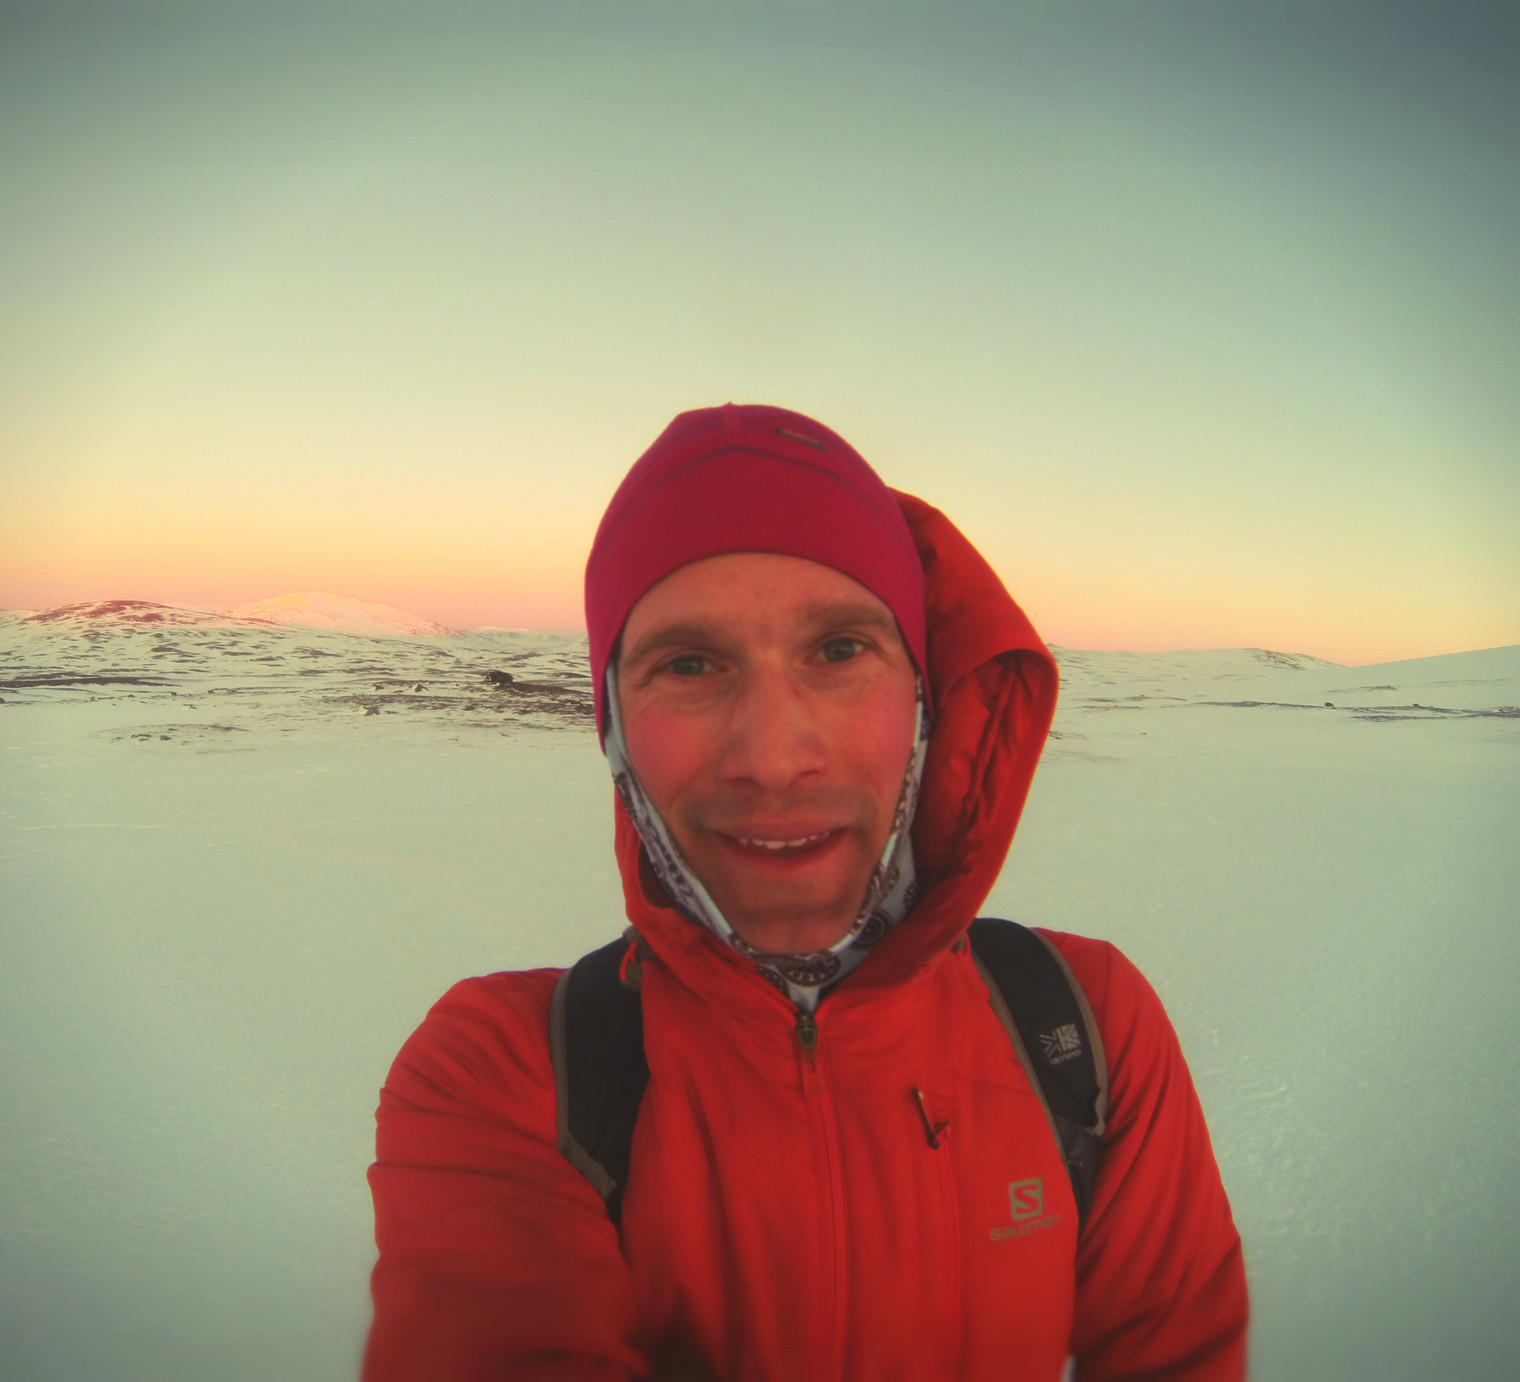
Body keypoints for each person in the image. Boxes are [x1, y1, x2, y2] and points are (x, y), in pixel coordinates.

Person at [363, 404, 1248, 1381]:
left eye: (838, 650)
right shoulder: (505, 1072)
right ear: (614, 727)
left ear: (924, 697)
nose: (775, 757)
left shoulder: (1084, 1029)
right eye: (688, 664)